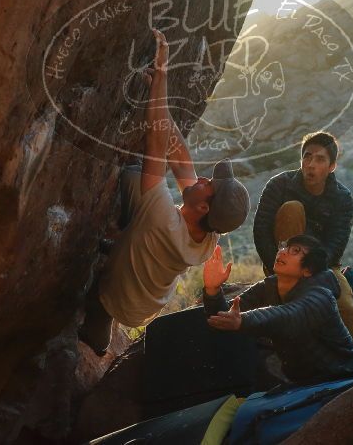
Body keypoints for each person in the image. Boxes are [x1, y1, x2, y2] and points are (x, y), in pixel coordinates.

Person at [80, 28, 250, 355]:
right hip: (146, 303)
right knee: (141, 187)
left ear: (203, 208)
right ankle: (121, 244)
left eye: (208, 186)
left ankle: (97, 329)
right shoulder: (208, 233)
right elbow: (181, 159)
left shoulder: (162, 217)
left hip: (117, 301)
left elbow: (157, 145)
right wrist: (160, 105)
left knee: (131, 175)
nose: (201, 180)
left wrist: (161, 76)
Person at [203, 235, 353, 382]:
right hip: (306, 385)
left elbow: (288, 315)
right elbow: (222, 318)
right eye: (284, 247)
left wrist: (244, 320)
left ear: (308, 270)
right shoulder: (268, 287)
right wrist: (212, 290)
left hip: (348, 378)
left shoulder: (321, 296)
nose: (282, 252)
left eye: (295, 251)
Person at [252, 131, 353, 339]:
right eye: (307, 156)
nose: (310, 164)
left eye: (320, 159)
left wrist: (311, 271)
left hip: (321, 266)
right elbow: (261, 231)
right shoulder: (279, 185)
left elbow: (336, 243)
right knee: (292, 208)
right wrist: (280, 268)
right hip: (282, 259)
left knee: (345, 308)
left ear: (332, 167)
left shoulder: (341, 198)